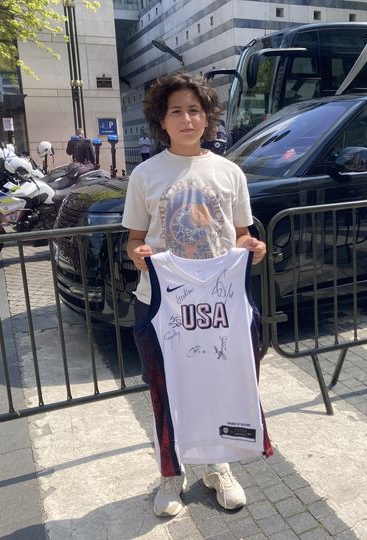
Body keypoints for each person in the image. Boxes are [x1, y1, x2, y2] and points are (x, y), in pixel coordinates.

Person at [122, 72, 271, 518]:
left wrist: (254, 250)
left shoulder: (229, 173)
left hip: (218, 306)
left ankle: (216, 465)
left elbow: (242, 238)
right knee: (165, 391)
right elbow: (134, 240)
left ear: (208, 119)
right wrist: (140, 256)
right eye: (176, 111)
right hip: (160, 304)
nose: (187, 118)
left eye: (195, 110)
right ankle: (171, 473)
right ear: (161, 121)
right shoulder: (145, 176)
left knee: (220, 387)